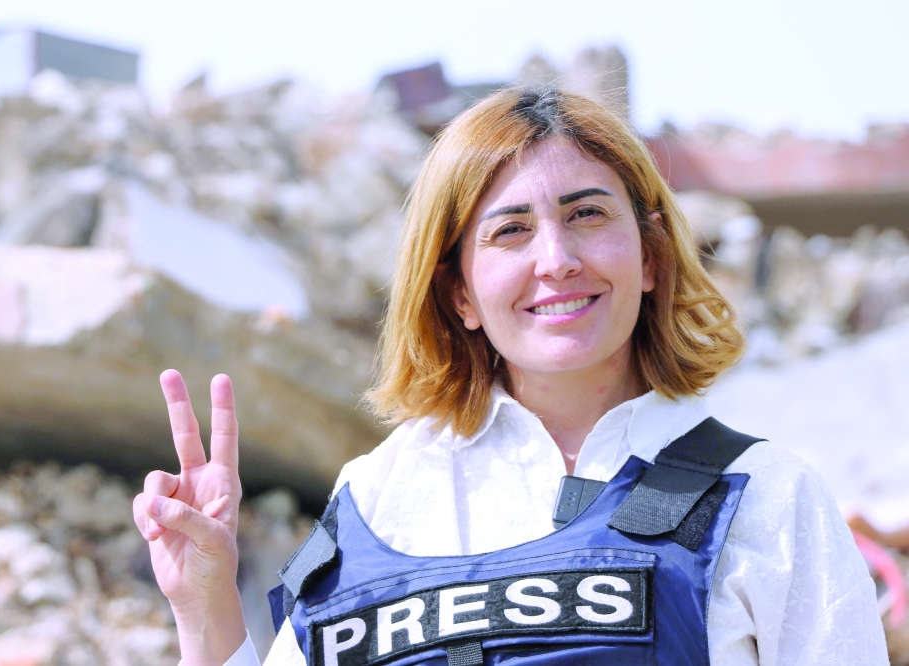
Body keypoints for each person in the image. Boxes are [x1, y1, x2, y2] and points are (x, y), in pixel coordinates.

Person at [133, 87, 889, 666]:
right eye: (510, 230)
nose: (556, 258)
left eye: (588, 214)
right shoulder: (377, 500)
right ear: (459, 292)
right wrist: (206, 608)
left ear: (652, 257)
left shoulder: (765, 498)